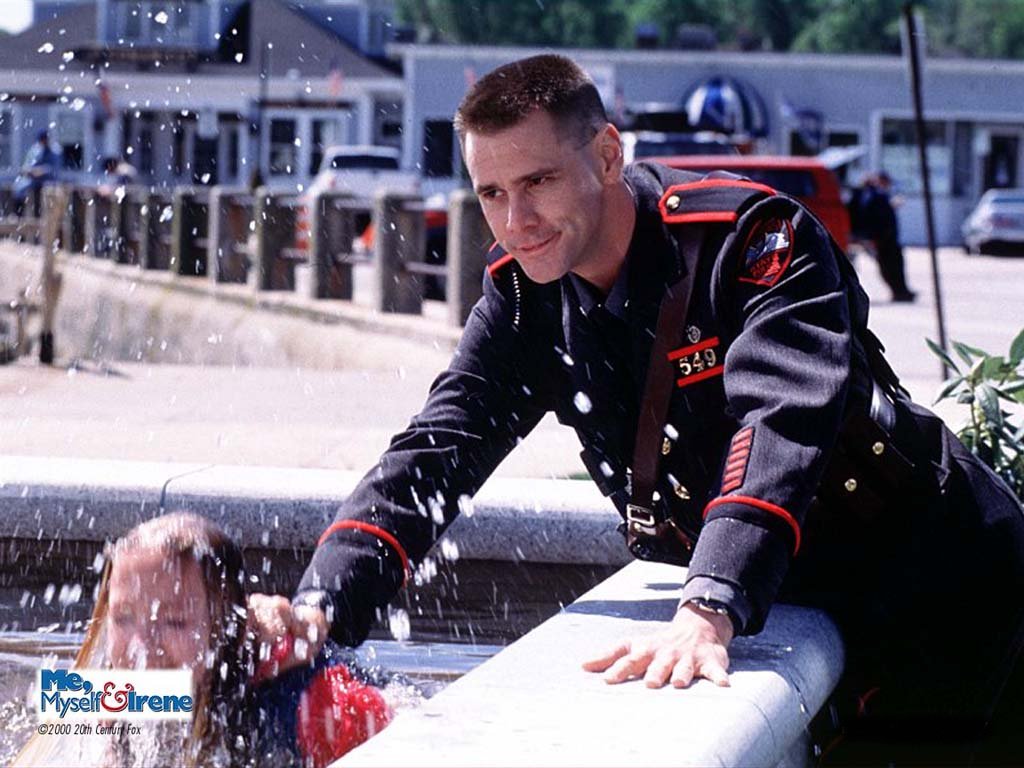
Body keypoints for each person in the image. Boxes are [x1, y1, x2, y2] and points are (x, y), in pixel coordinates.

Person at [249, 54, 1024, 762]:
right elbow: (438, 448)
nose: (517, 221)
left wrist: (711, 601)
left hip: (947, 588)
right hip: (801, 596)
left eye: (539, 182)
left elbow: (781, 422)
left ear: (608, 155)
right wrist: (322, 606)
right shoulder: (525, 296)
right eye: (492, 193)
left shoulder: (746, 242)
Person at [13, 512, 392, 768]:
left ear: (229, 627)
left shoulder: (321, 707)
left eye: (175, 622)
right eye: (123, 618)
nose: (142, 645)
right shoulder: (117, 692)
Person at [851, 172, 916, 303]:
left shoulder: (873, 195)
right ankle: (900, 291)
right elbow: (877, 218)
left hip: (884, 237)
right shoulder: (876, 196)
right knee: (892, 266)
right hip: (884, 238)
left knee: (891, 265)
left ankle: (900, 291)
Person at [12, 130, 58, 218]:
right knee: (19, 188)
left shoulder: (54, 151)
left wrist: (42, 171)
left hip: (48, 181)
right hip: (33, 180)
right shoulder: (35, 150)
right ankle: (19, 216)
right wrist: (29, 170)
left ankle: (40, 217)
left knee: (46, 193)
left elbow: (54, 169)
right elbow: (27, 165)